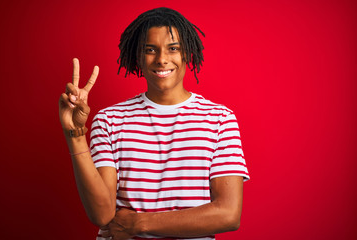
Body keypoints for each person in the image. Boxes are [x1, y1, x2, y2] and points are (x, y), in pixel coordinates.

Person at [59, 7, 249, 240]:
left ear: (187, 53)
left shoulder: (220, 119)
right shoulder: (109, 119)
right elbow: (102, 214)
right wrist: (75, 135)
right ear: (137, 56)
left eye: (173, 49)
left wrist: (140, 223)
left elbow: (228, 214)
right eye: (150, 50)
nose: (161, 59)